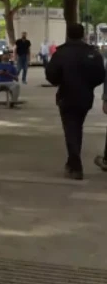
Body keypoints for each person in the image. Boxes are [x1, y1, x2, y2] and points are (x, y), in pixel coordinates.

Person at [46, 23, 107, 180]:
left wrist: (61, 81)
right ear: (83, 34)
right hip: (85, 97)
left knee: (71, 129)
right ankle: (72, 161)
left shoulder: (61, 53)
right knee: (76, 127)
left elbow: (51, 75)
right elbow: (100, 75)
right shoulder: (92, 53)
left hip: (66, 95)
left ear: (68, 34)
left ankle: (75, 164)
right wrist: (88, 85)